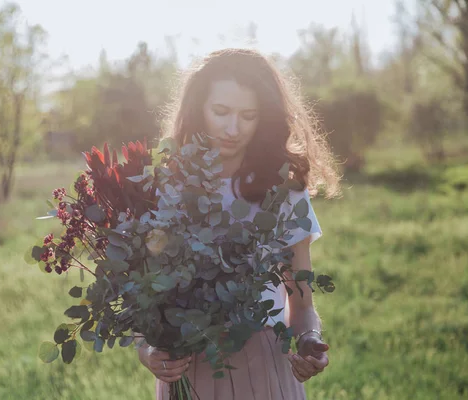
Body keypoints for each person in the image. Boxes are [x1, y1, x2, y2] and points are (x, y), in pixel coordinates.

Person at [136, 48, 342, 400]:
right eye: (221, 112)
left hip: (264, 364)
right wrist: (147, 351)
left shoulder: (284, 191)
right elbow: (144, 298)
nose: (233, 129)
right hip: (191, 367)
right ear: (198, 109)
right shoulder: (164, 187)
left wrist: (309, 342)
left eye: (248, 115)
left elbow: (303, 305)